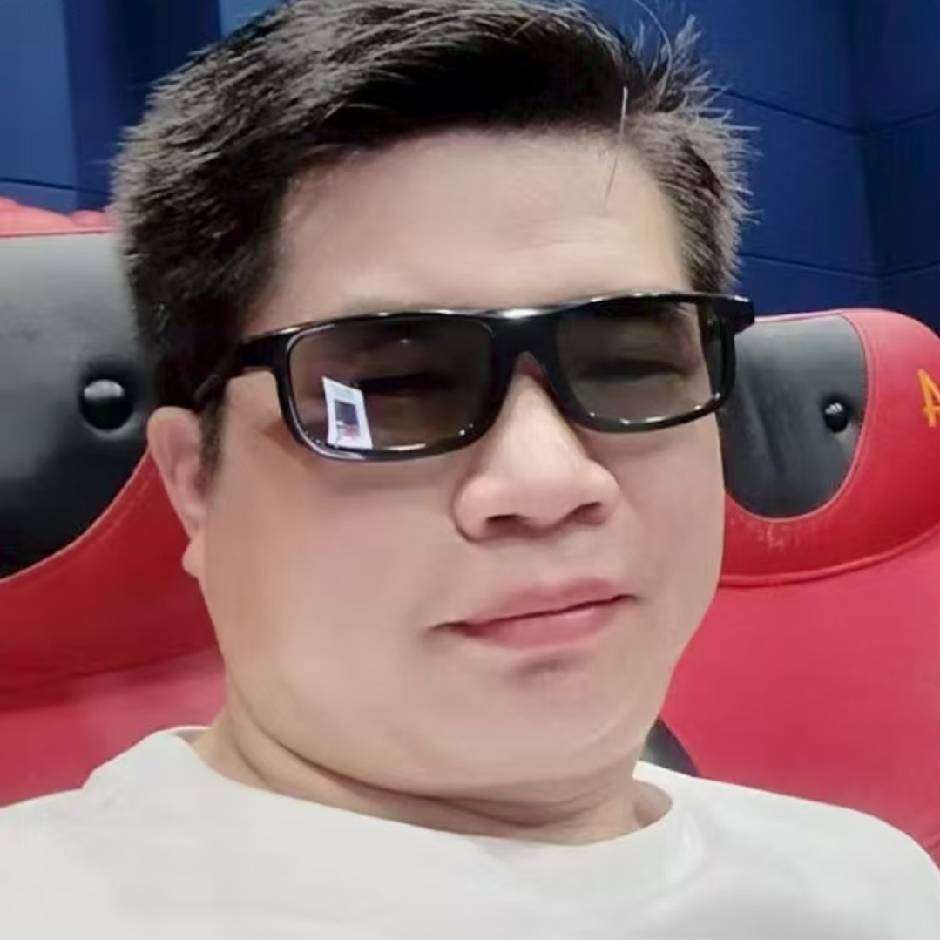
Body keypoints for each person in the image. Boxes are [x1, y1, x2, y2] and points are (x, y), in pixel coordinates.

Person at [3, 0, 939, 936]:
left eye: (630, 367)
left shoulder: (872, 883)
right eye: (395, 387)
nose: (549, 481)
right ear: (194, 485)